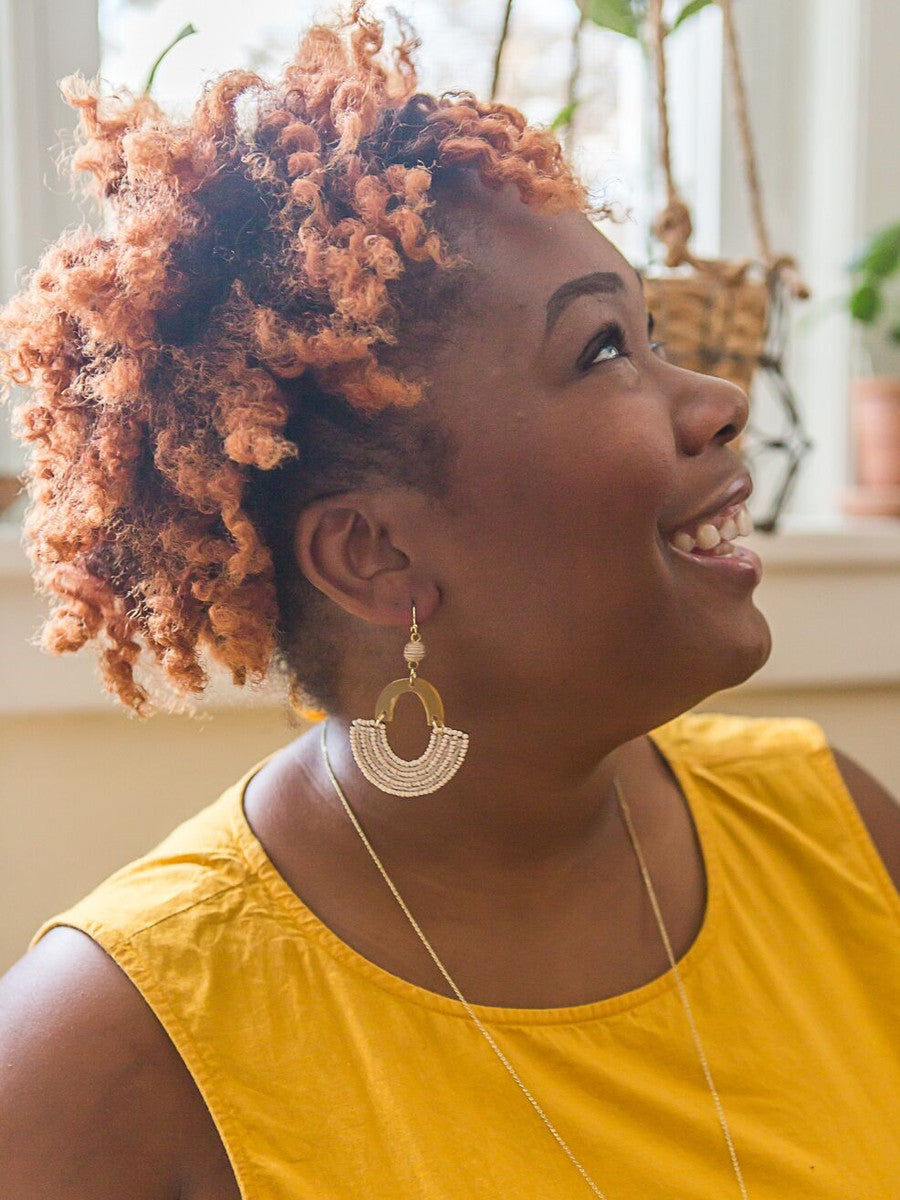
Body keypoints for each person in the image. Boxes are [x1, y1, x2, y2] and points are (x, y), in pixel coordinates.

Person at [1, 5, 898, 1198]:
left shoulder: (836, 833)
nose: (717, 398)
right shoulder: (112, 1053)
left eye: (651, 331)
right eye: (599, 352)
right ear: (371, 554)